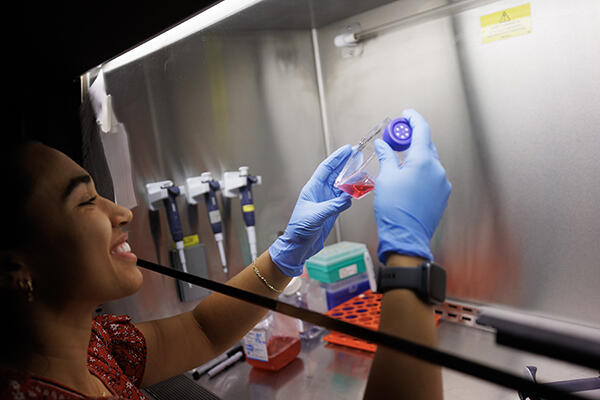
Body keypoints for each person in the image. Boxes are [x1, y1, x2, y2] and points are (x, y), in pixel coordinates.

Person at [0, 109, 450, 399]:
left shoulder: (94, 347)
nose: (121, 213)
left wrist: (284, 256)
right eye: (85, 202)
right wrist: (408, 257)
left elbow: (200, 329)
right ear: (15, 266)